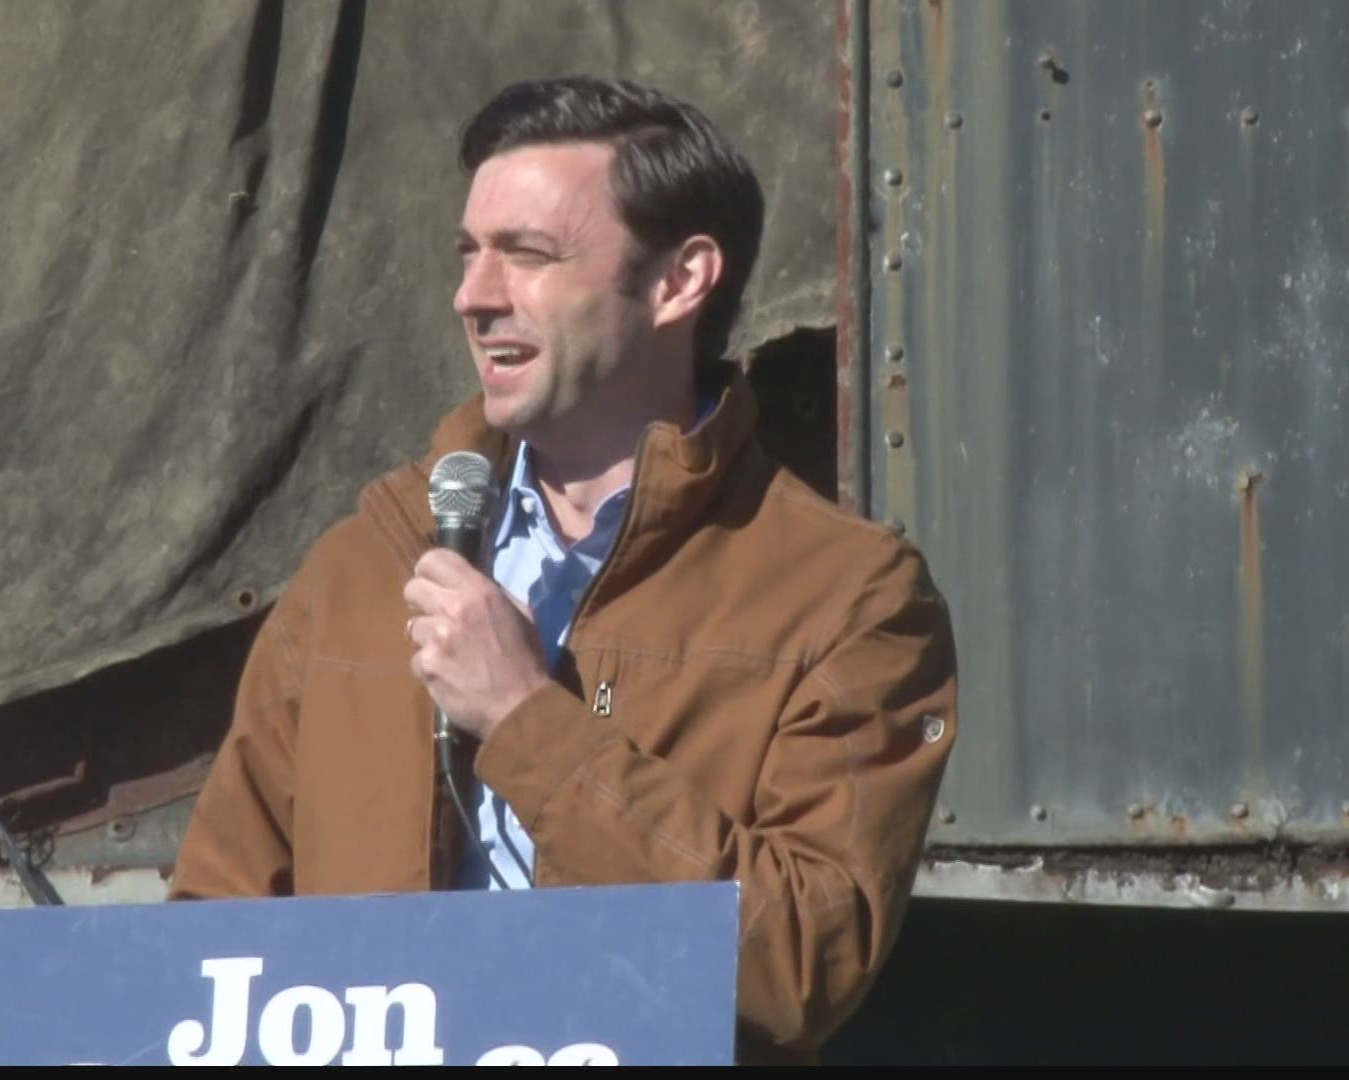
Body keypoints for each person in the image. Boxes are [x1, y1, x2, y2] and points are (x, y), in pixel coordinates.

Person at [169, 75, 958, 1065]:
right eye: (468, 256)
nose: (474, 296)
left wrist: (524, 722)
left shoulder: (849, 598)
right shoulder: (361, 570)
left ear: (679, 281)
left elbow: (800, 967)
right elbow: (205, 946)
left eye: (529, 255)